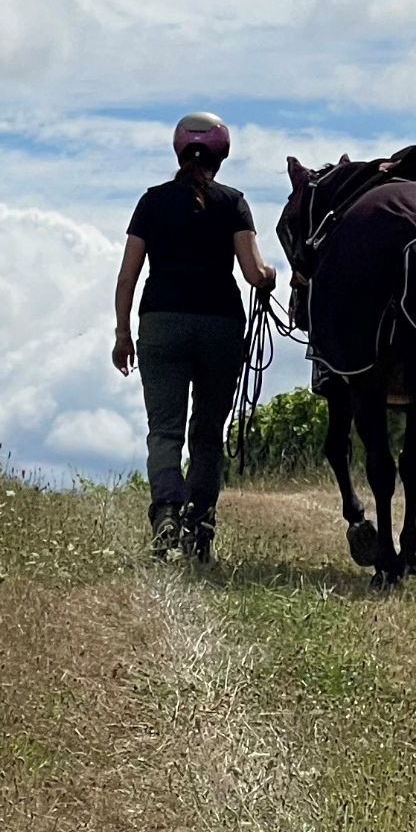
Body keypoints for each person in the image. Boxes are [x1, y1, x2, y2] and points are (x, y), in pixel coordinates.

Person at [113, 112, 279, 562]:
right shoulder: (234, 202)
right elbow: (252, 272)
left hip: (161, 322)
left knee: (163, 431)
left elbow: (128, 276)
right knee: (207, 432)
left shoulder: (151, 202)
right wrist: (271, 275)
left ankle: (165, 509)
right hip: (220, 326)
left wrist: (122, 333)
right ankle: (200, 523)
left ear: (178, 151)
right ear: (221, 156)